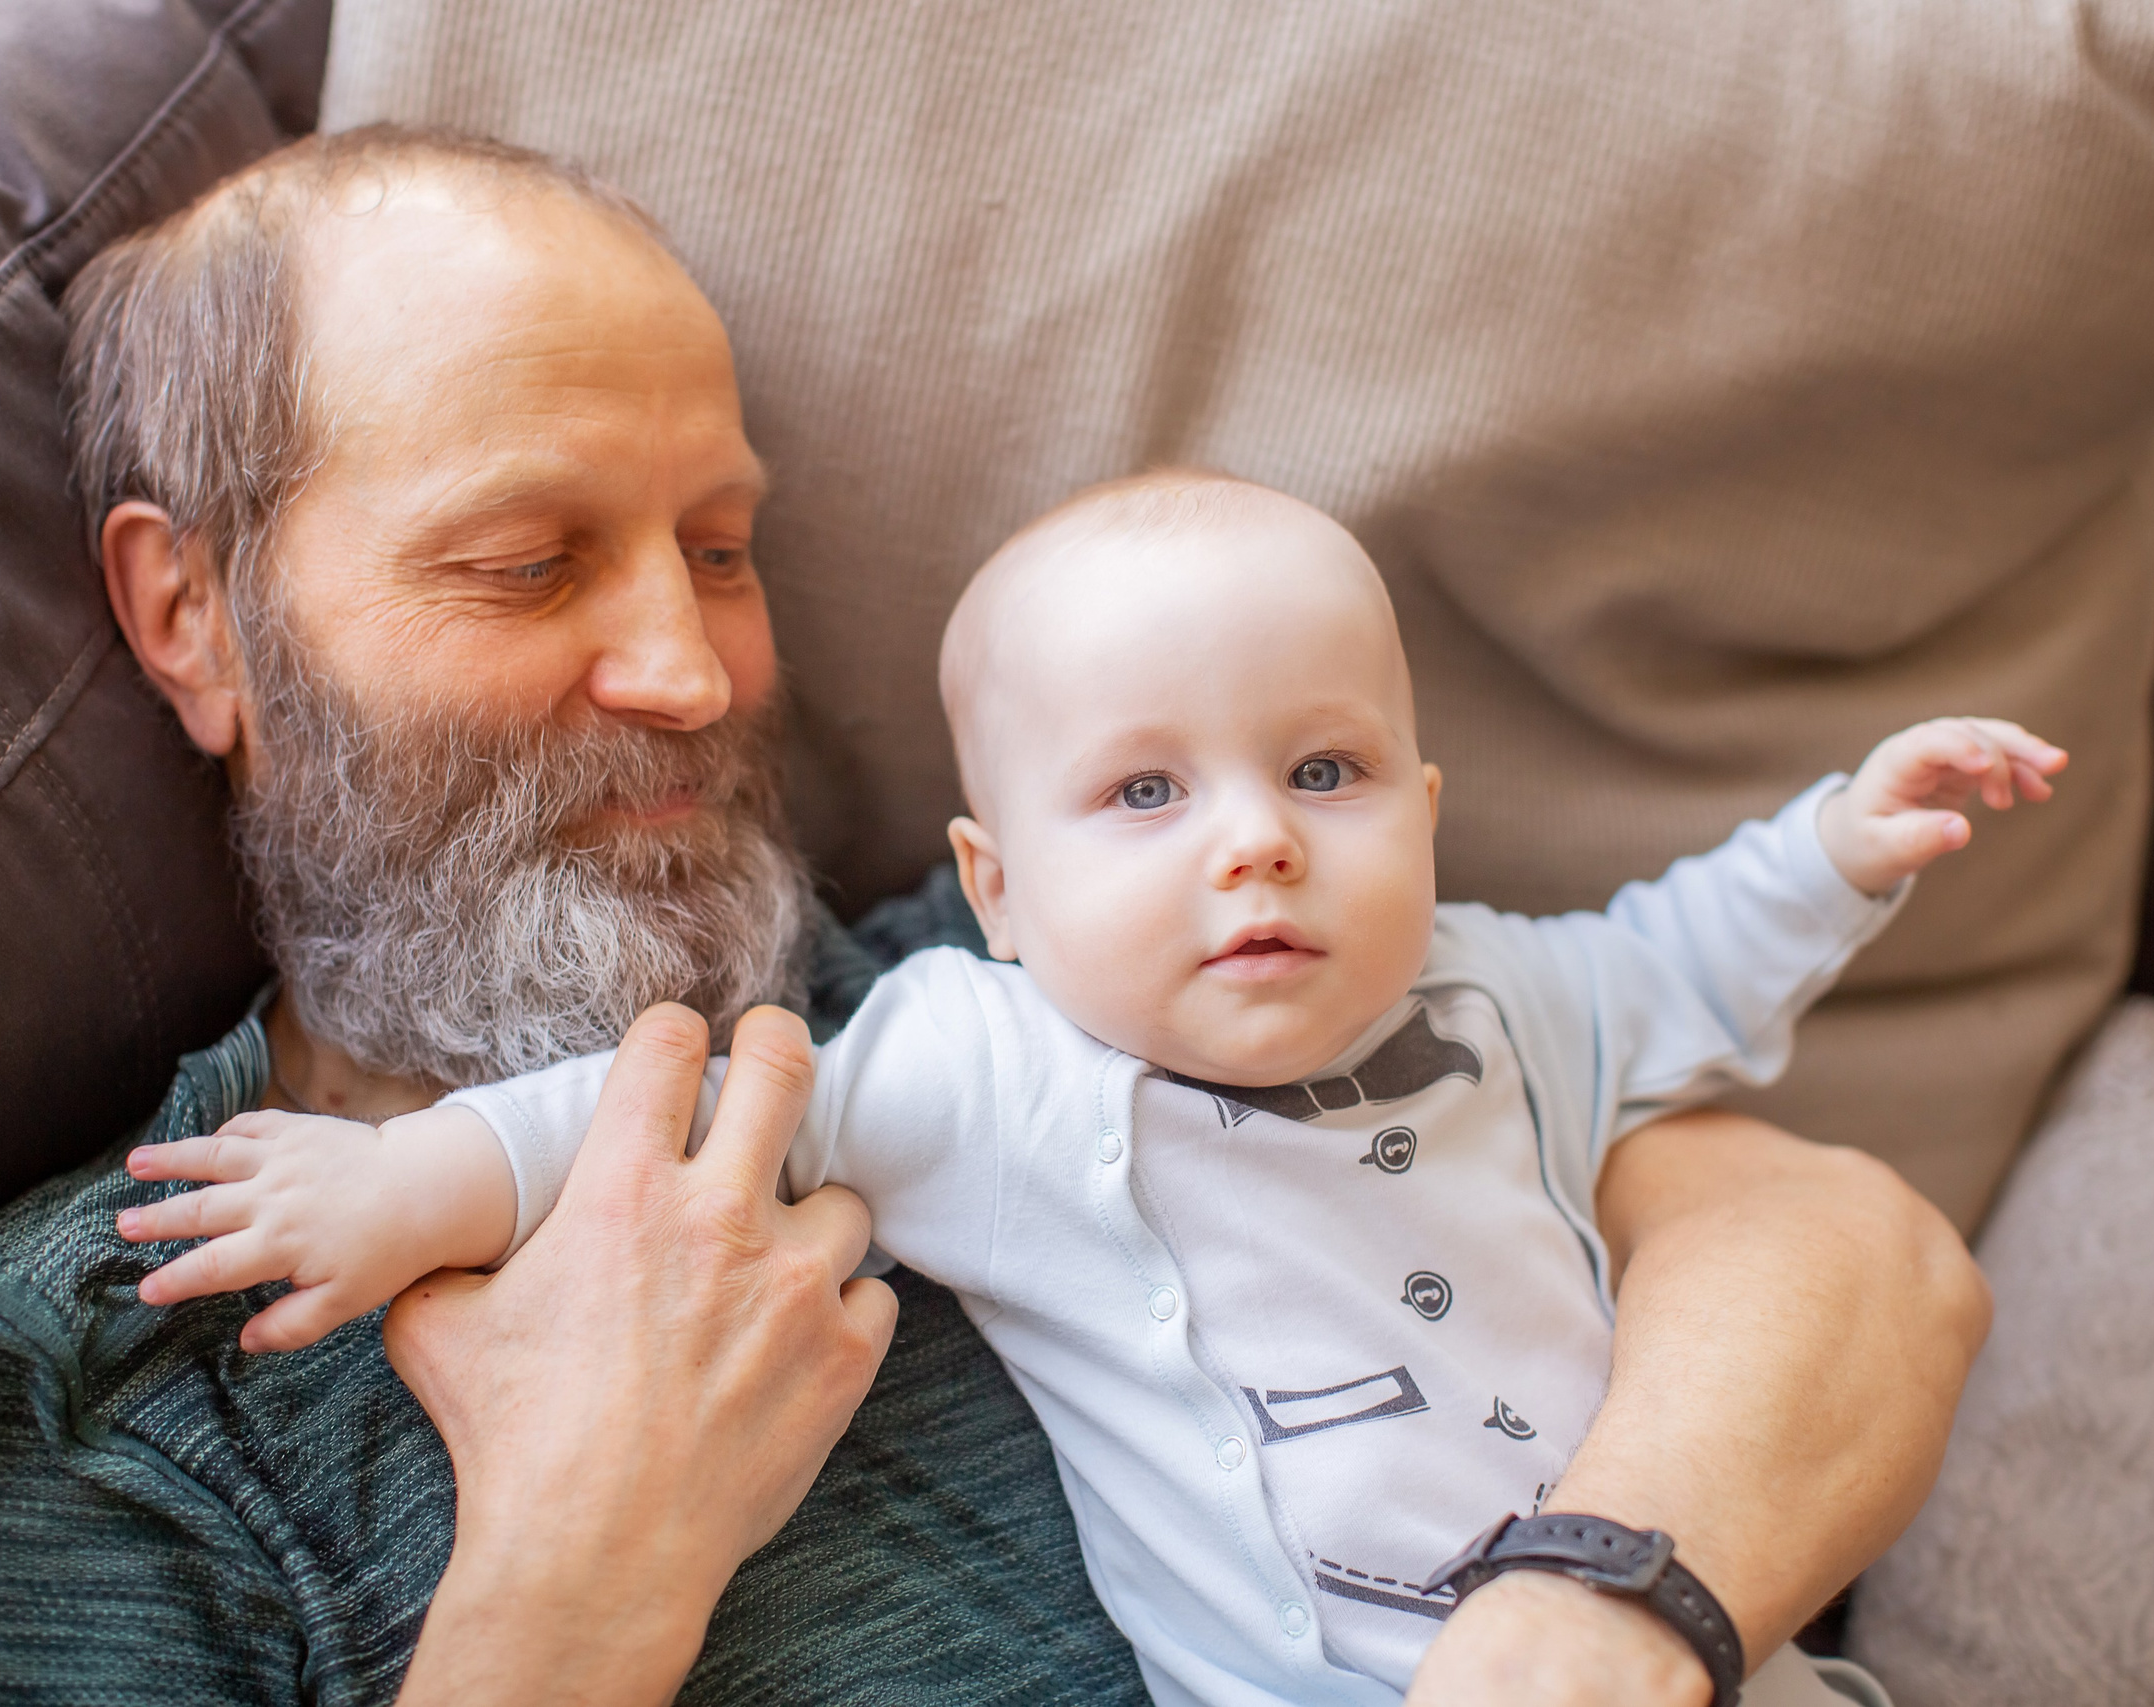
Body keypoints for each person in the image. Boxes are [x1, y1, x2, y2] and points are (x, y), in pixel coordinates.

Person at [0, 127, 1989, 1707]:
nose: (688, 670)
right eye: (524, 560)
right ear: (190, 619)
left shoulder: (1017, 996)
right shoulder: (102, 1374)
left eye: (723, 547)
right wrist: (575, 1581)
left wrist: (1582, 1620)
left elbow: (1836, 1249)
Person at [122, 471, 2052, 1706]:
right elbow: (663, 1125)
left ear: (1426, 817)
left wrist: (1844, 845)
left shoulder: (1502, 993)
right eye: (1146, 793)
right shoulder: (979, 1064)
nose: (1256, 849)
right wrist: (400, 1189)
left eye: (1325, 774)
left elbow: (1687, 960)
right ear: (998, 890)